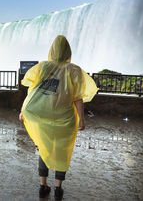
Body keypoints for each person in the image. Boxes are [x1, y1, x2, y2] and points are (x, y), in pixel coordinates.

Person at [18, 35, 98, 200]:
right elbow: (77, 98)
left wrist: (23, 110)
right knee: (62, 151)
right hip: (65, 119)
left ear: (52, 50)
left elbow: (32, 90)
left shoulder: (43, 67)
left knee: (43, 148)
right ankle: (58, 188)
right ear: (68, 51)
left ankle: (42, 185)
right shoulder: (74, 70)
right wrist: (82, 119)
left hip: (41, 115)